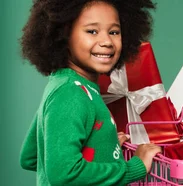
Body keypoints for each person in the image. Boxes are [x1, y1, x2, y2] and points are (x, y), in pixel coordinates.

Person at [19, 0, 162, 185]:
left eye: (114, 32)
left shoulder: (65, 84)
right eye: (92, 31)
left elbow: (31, 156)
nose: (106, 42)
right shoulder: (70, 93)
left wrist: (104, 148)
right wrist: (135, 167)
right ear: (63, 35)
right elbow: (64, 173)